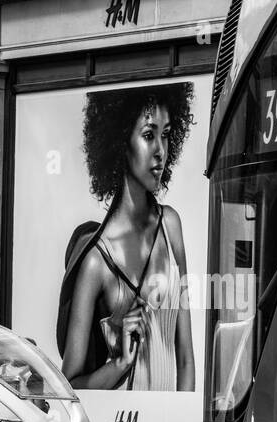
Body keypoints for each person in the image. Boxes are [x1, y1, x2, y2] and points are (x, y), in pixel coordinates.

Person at [59, 84, 196, 392]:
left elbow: (186, 357)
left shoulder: (170, 224)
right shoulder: (97, 261)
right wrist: (119, 363)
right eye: (149, 135)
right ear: (121, 141)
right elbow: (70, 387)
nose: (160, 150)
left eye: (166, 134)